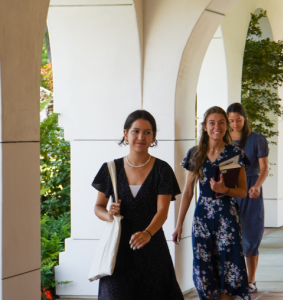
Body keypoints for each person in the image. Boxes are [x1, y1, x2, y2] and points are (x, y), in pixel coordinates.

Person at [91, 110, 184, 300]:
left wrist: (147, 233)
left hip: (152, 248)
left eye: (147, 132)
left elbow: (163, 211)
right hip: (118, 251)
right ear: (125, 134)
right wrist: (110, 215)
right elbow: (98, 207)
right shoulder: (111, 168)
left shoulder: (162, 169)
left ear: (154, 137)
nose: (141, 137)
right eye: (135, 131)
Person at [172, 106, 251, 300]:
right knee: (203, 270)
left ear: (227, 126)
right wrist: (179, 223)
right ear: (205, 127)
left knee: (229, 267)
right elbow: (189, 192)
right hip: (202, 219)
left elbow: (242, 191)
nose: (217, 126)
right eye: (212, 122)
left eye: (221, 122)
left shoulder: (235, 154)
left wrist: (225, 191)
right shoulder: (195, 154)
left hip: (227, 218)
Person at [227, 102, 269, 293]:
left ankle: (251, 280)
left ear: (245, 119)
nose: (235, 124)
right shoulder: (224, 140)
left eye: (238, 120)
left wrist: (257, 186)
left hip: (251, 190)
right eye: (231, 121)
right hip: (230, 191)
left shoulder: (257, 139)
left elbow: (264, 168)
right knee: (229, 237)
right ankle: (232, 278)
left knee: (251, 236)